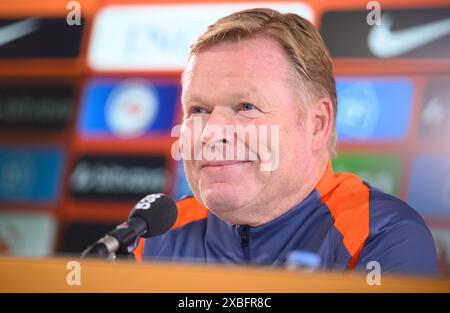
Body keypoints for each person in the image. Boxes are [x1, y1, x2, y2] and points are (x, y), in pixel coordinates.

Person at [134, 8, 437, 275]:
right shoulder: (153, 237)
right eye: (198, 110)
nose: (211, 132)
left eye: (245, 107)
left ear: (317, 124)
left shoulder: (382, 235)